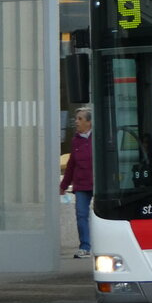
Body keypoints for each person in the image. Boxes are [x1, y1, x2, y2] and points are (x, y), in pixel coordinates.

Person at [59, 107, 94, 257]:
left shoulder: (97, 139)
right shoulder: (75, 141)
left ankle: (100, 245)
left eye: (80, 119)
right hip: (81, 184)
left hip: (95, 184)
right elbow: (71, 165)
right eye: (76, 119)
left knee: (101, 217)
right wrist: (63, 185)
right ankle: (85, 246)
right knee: (81, 215)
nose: (76, 122)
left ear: (89, 122)